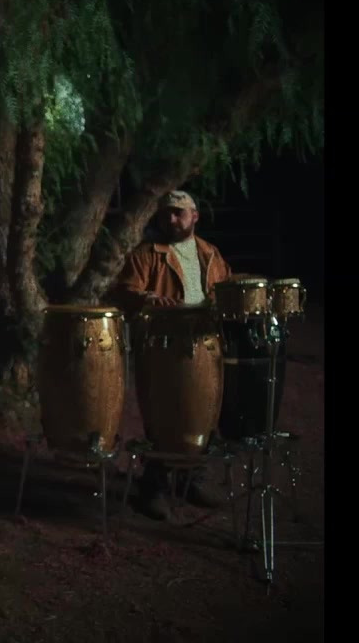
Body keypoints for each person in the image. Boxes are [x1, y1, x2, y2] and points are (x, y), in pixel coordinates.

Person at [113, 190, 232, 520]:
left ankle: (192, 478)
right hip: (162, 346)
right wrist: (148, 298)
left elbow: (226, 288)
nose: (171, 219)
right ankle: (155, 487)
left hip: (204, 343)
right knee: (165, 416)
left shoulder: (210, 254)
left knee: (203, 412)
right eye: (166, 213)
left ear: (195, 216)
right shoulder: (147, 254)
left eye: (178, 213)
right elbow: (124, 290)